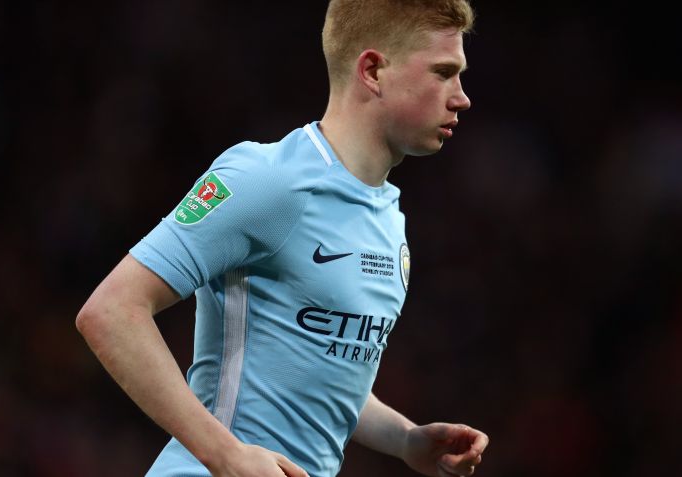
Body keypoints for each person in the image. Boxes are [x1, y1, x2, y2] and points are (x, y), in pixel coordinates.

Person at [75, 1, 488, 476]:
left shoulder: (388, 217)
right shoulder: (268, 179)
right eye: (443, 73)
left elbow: (315, 373)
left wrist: (405, 439)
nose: (461, 98)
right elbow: (111, 312)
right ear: (373, 71)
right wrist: (225, 454)